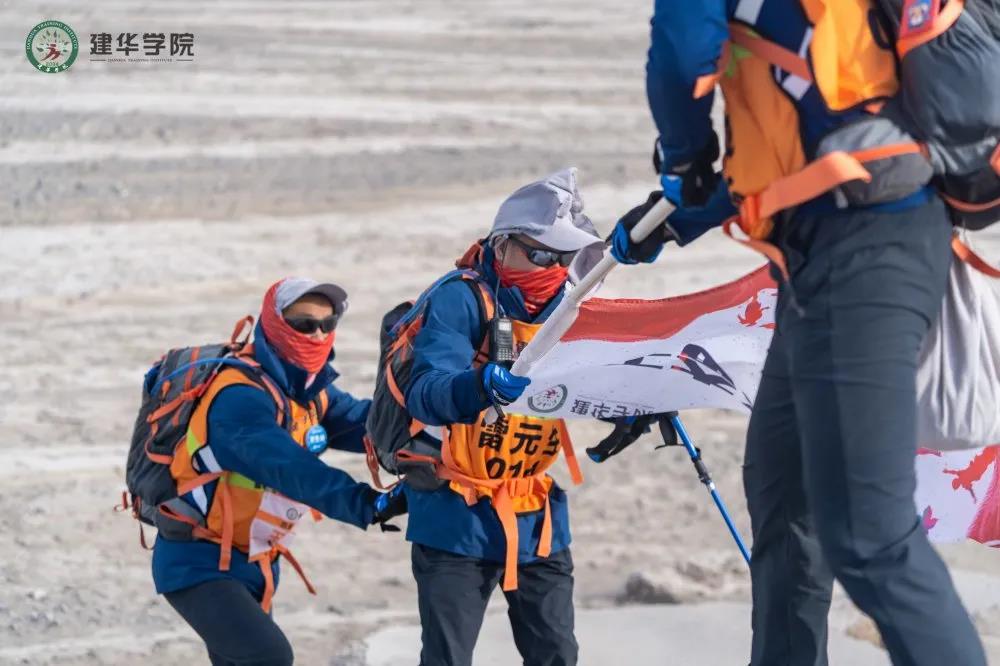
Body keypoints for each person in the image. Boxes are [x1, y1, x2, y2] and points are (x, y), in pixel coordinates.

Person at [609, 2, 987, 665]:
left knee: (870, 537)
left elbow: (681, 51)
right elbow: (816, 124)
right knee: (785, 496)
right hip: (823, 255)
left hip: (866, 248)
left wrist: (684, 156)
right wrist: (676, 218)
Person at [401, 168, 605, 666]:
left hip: (536, 513)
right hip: (455, 517)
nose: (553, 268)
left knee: (558, 655)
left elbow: (599, 378)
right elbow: (424, 392)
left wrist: (639, 408)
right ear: (501, 245)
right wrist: (479, 385)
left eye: (564, 257)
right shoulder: (460, 298)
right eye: (540, 255)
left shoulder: (571, 303)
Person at [151, 277, 407, 666]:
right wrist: (369, 503)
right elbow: (289, 467)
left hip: (255, 560)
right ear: (274, 326)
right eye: (304, 324)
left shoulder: (306, 391)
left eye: (327, 324)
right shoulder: (238, 398)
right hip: (199, 562)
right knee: (269, 656)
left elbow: (368, 424)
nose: (317, 334)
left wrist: (436, 421)